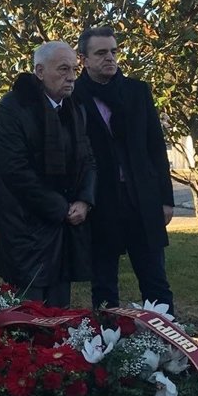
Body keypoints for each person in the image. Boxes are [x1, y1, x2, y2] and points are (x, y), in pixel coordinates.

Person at [72, 25, 175, 310]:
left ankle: (164, 333)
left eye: (114, 51)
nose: (110, 58)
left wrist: (166, 199)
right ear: (84, 59)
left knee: (155, 280)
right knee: (104, 283)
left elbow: (156, 147)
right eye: (101, 53)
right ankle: (108, 335)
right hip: (101, 200)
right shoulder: (74, 96)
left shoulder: (137, 91)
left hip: (142, 197)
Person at [0, 41, 96, 307]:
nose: (71, 77)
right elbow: (15, 170)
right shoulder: (12, 108)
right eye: (63, 69)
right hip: (26, 230)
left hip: (64, 229)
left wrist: (84, 200)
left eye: (74, 69)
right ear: (39, 71)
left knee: (59, 312)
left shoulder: (74, 108)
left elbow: (88, 159)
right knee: (29, 313)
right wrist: (61, 208)